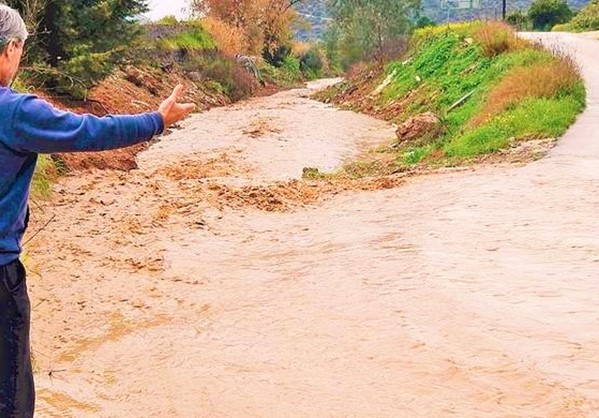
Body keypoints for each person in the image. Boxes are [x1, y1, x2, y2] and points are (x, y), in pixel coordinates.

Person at [0, 5, 195, 417]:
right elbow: (89, 132)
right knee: (11, 397)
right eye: (19, 51)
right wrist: (157, 120)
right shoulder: (14, 112)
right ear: (10, 49)